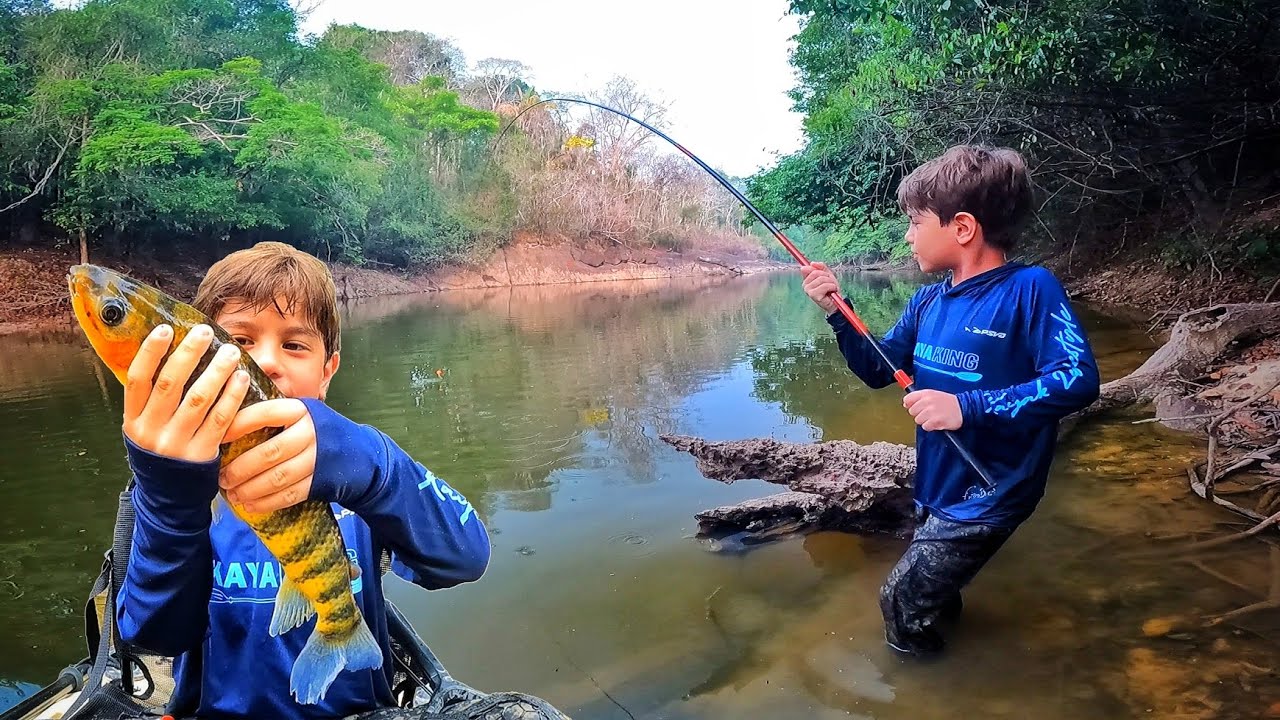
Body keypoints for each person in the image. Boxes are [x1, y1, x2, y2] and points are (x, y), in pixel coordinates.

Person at [115, 242, 492, 718]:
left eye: (294, 344)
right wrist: (170, 502)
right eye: (239, 342)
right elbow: (154, 635)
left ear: (327, 371)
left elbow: (466, 557)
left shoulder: (358, 480)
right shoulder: (180, 492)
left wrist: (376, 465)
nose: (268, 362)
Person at [800, 145, 1101, 655]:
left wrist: (967, 407)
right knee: (933, 596)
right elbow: (878, 368)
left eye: (916, 222)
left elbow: (1077, 379)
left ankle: (930, 693)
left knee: (900, 599)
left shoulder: (1031, 289)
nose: (907, 234)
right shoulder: (928, 300)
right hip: (938, 483)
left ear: (962, 227)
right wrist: (837, 311)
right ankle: (952, 651)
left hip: (992, 492)